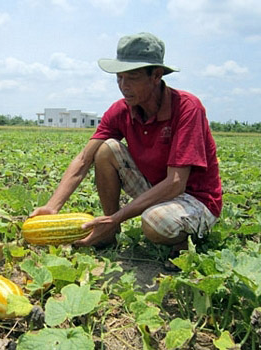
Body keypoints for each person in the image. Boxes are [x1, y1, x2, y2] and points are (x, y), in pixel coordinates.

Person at [30, 32, 222, 265]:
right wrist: (52, 207)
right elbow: (83, 160)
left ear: (156, 75)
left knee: (154, 222)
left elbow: (175, 183)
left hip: (196, 199)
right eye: (119, 78)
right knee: (105, 149)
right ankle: (110, 233)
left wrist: (117, 216)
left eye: (132, 78)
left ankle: (181, 243)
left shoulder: (186, 108)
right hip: (157, 190)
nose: (123, 86)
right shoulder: (120, 111)